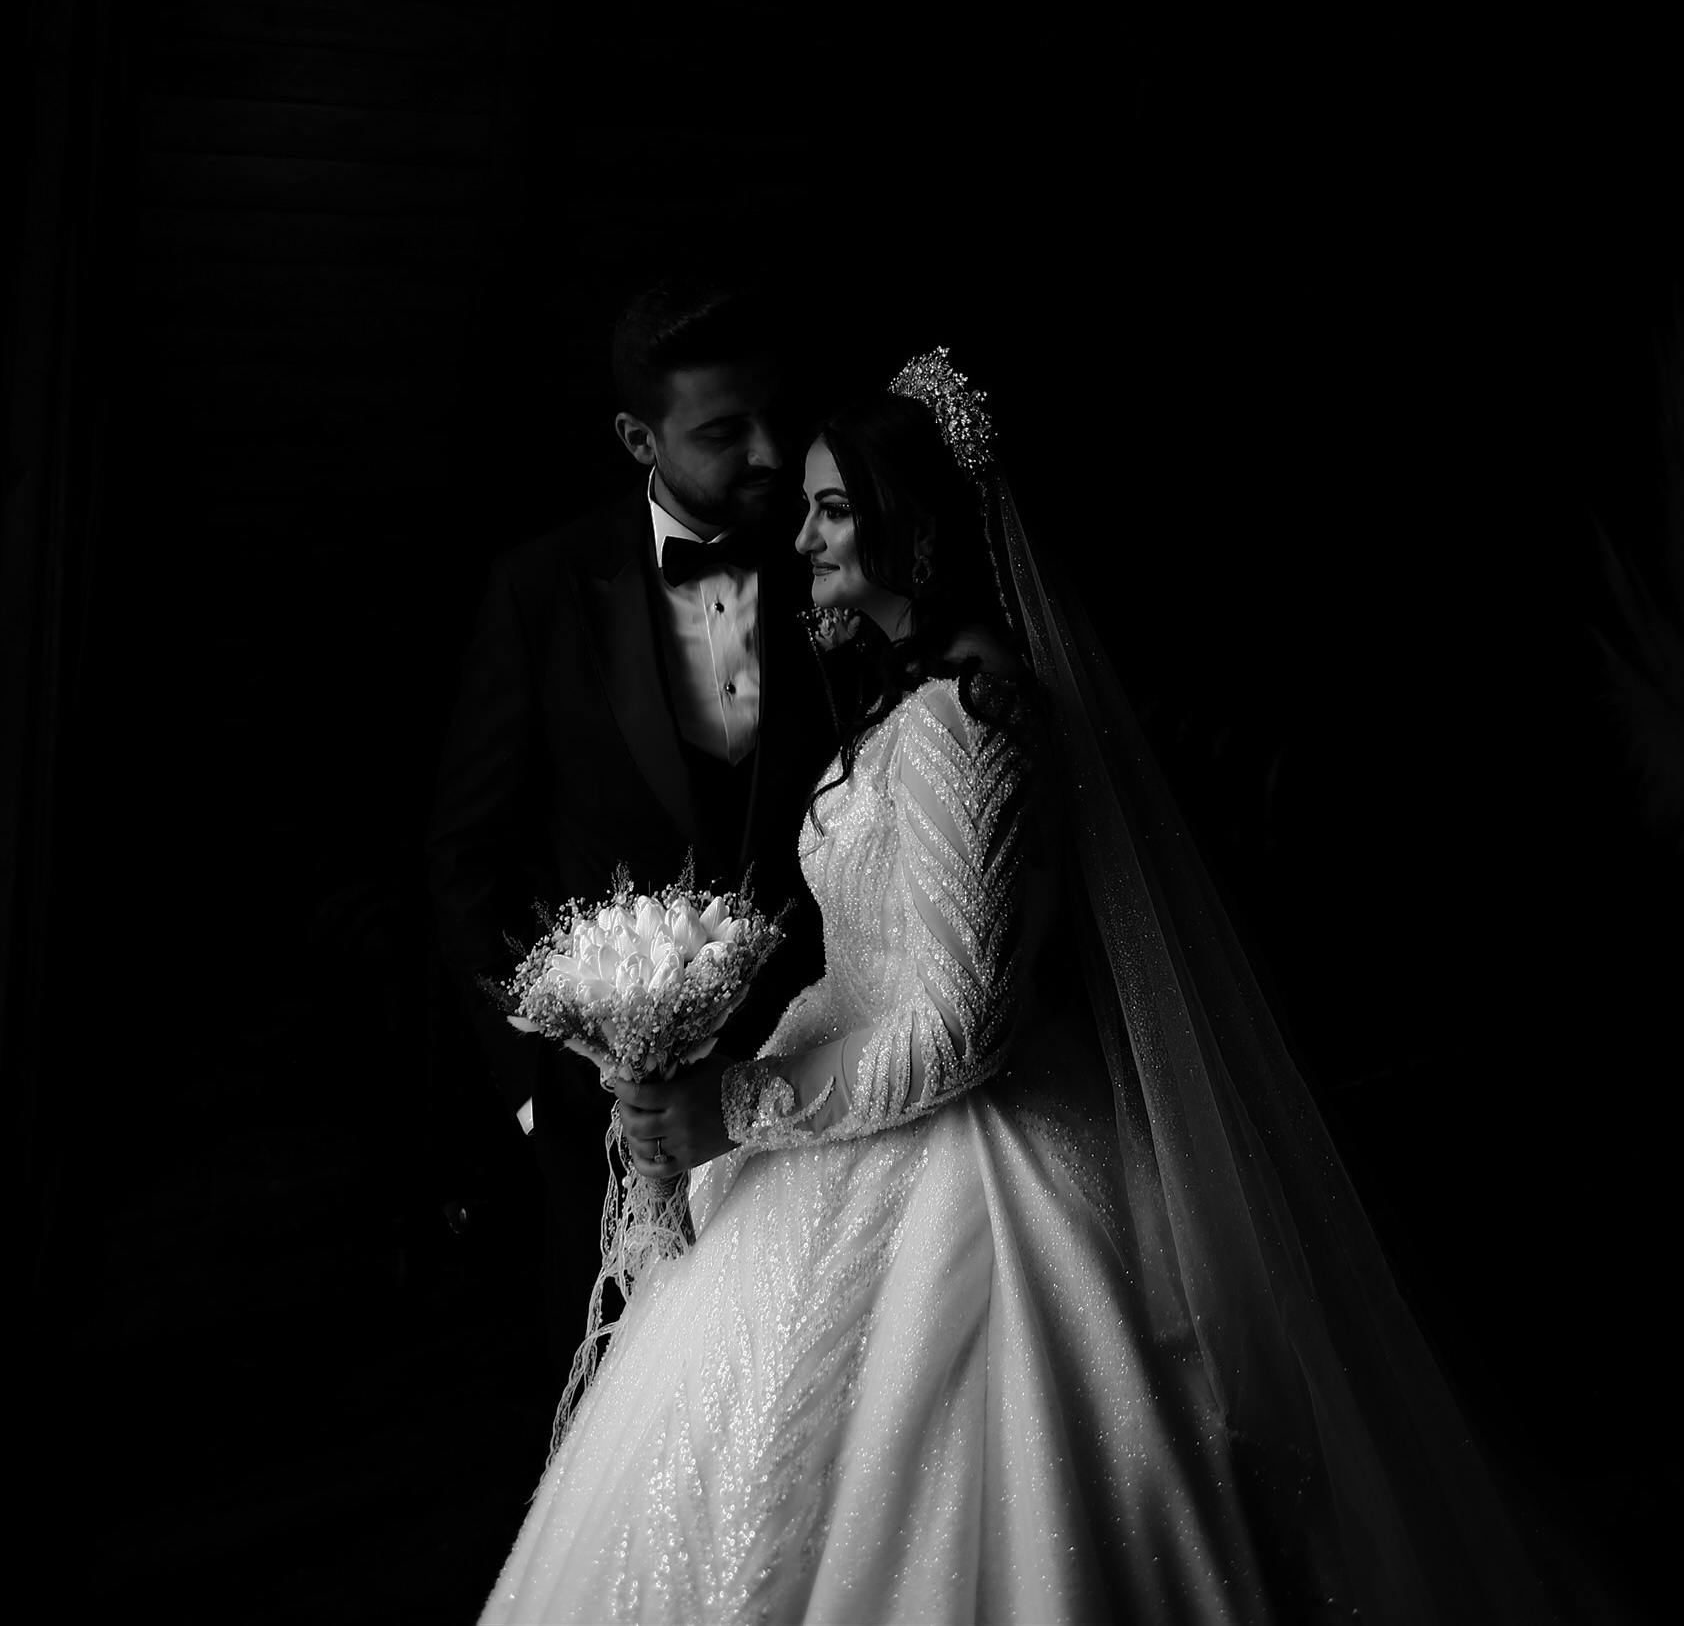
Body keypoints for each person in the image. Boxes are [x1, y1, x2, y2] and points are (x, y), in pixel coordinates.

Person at [473, 345, 1574, 1626]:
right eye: (813, 509)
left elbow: (962, 1027)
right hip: (844, 1102)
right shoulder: (921, 699)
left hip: (953, 1160)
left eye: (837, 512)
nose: (807, 541)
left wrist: (744, 1106)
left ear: (915, 529)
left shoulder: (969, 720)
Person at [426, 279, 837, 1374]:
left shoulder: (833, 557)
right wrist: (536, 1094)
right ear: (635, 437)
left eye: (772, 417)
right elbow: (468, 859)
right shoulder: (542, 590)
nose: (768, 451)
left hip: (811, 1081)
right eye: (722, 432)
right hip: (609, 1118)